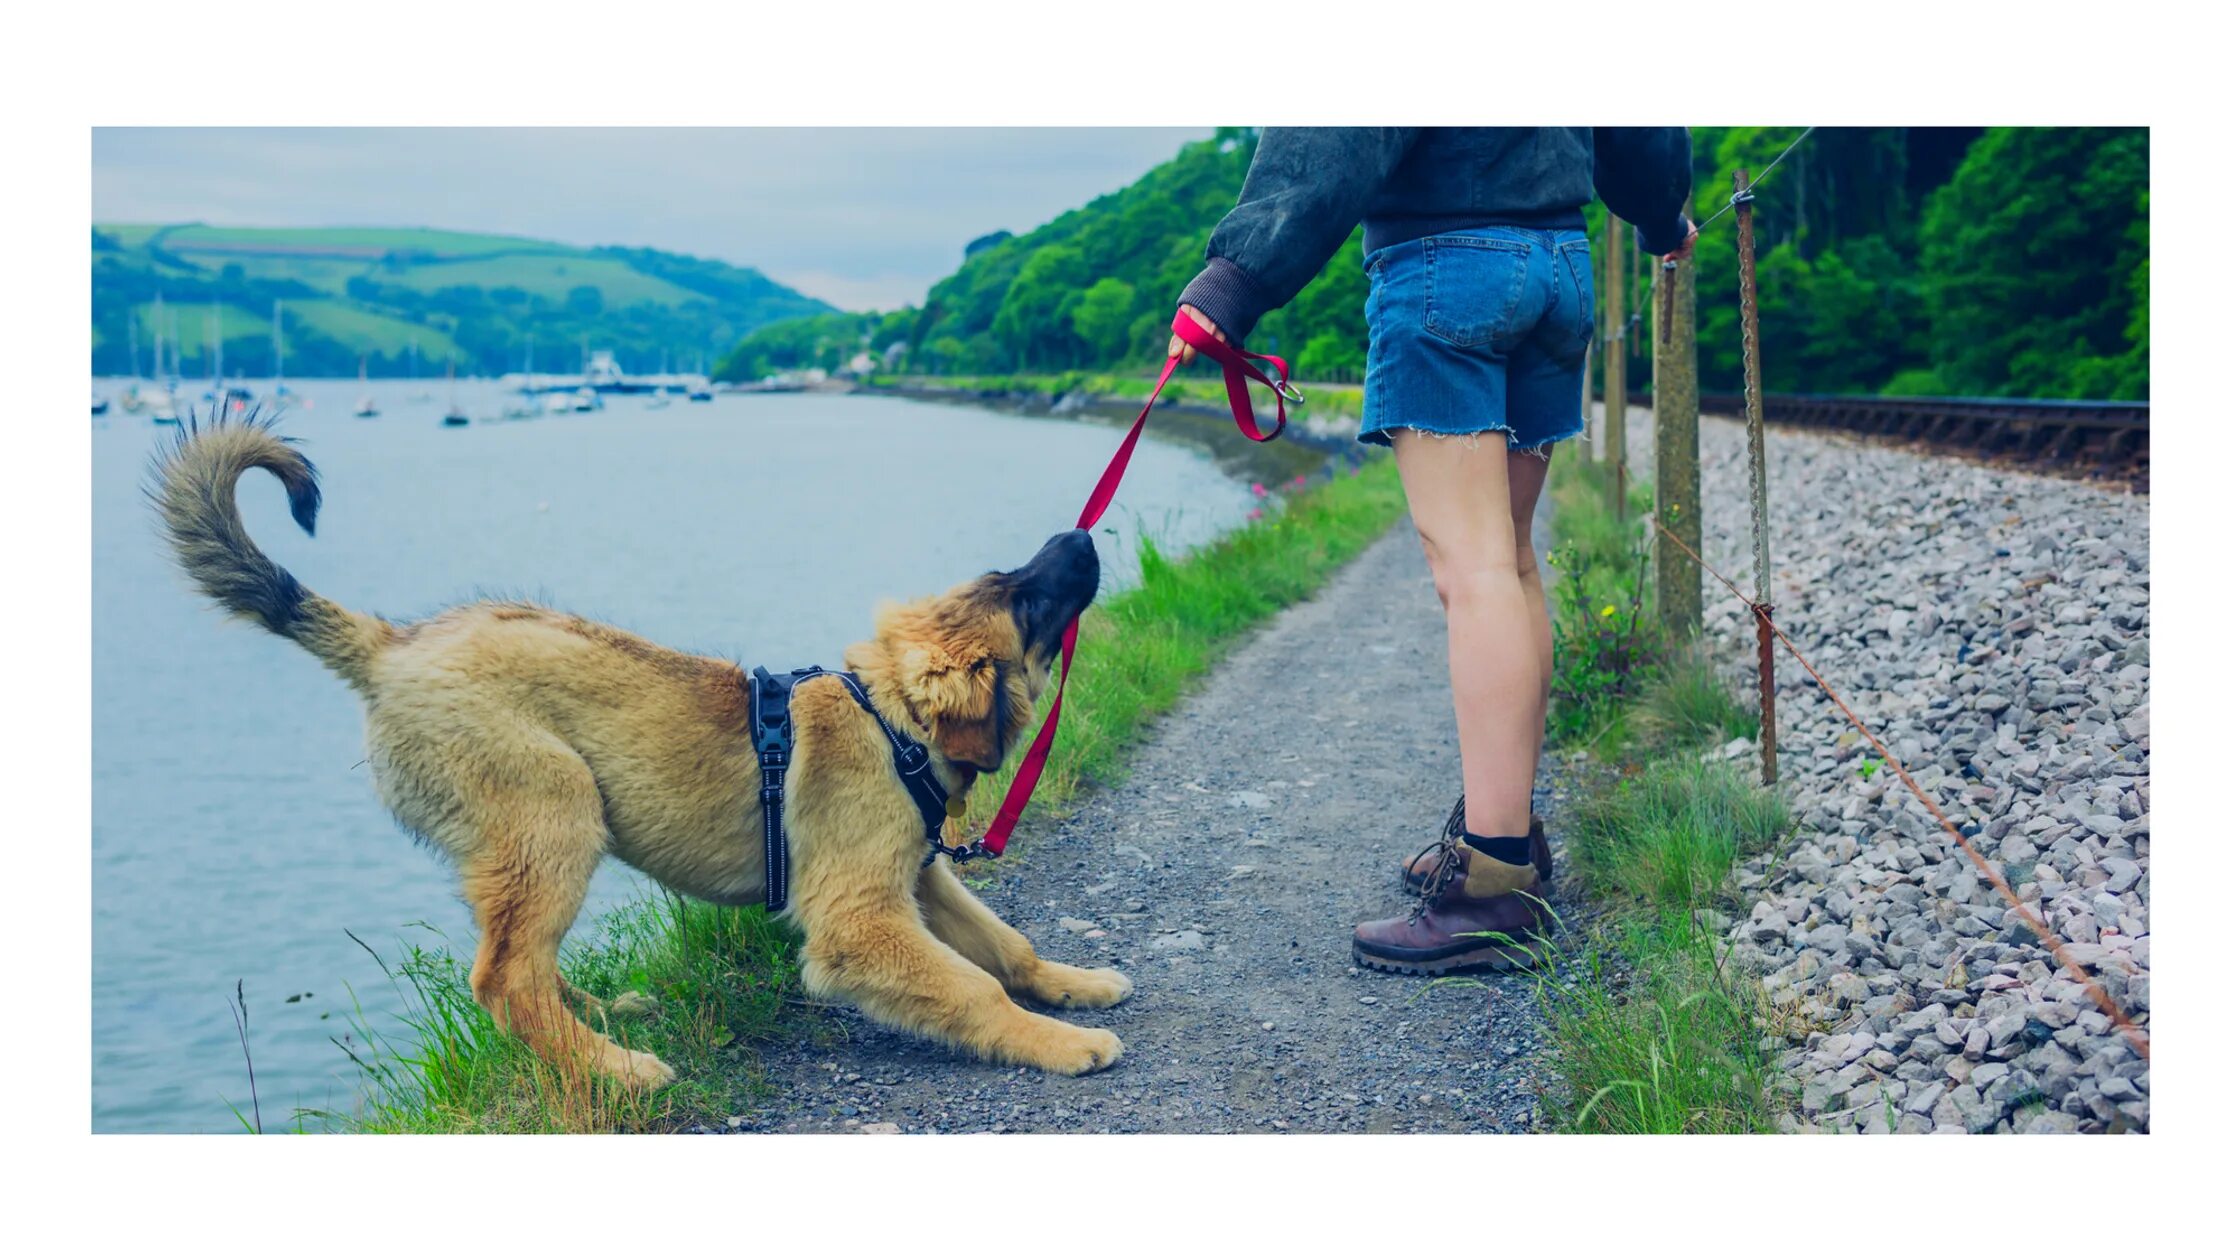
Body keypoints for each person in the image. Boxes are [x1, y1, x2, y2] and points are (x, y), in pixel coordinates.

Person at [1170, 127, 1695, 974]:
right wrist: (1660, 211)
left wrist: (1235, 280)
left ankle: (1489, 885)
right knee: (1510, 562)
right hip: (1560, 264)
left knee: (1476, 569)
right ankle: (1508, 835)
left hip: (1448, 268)